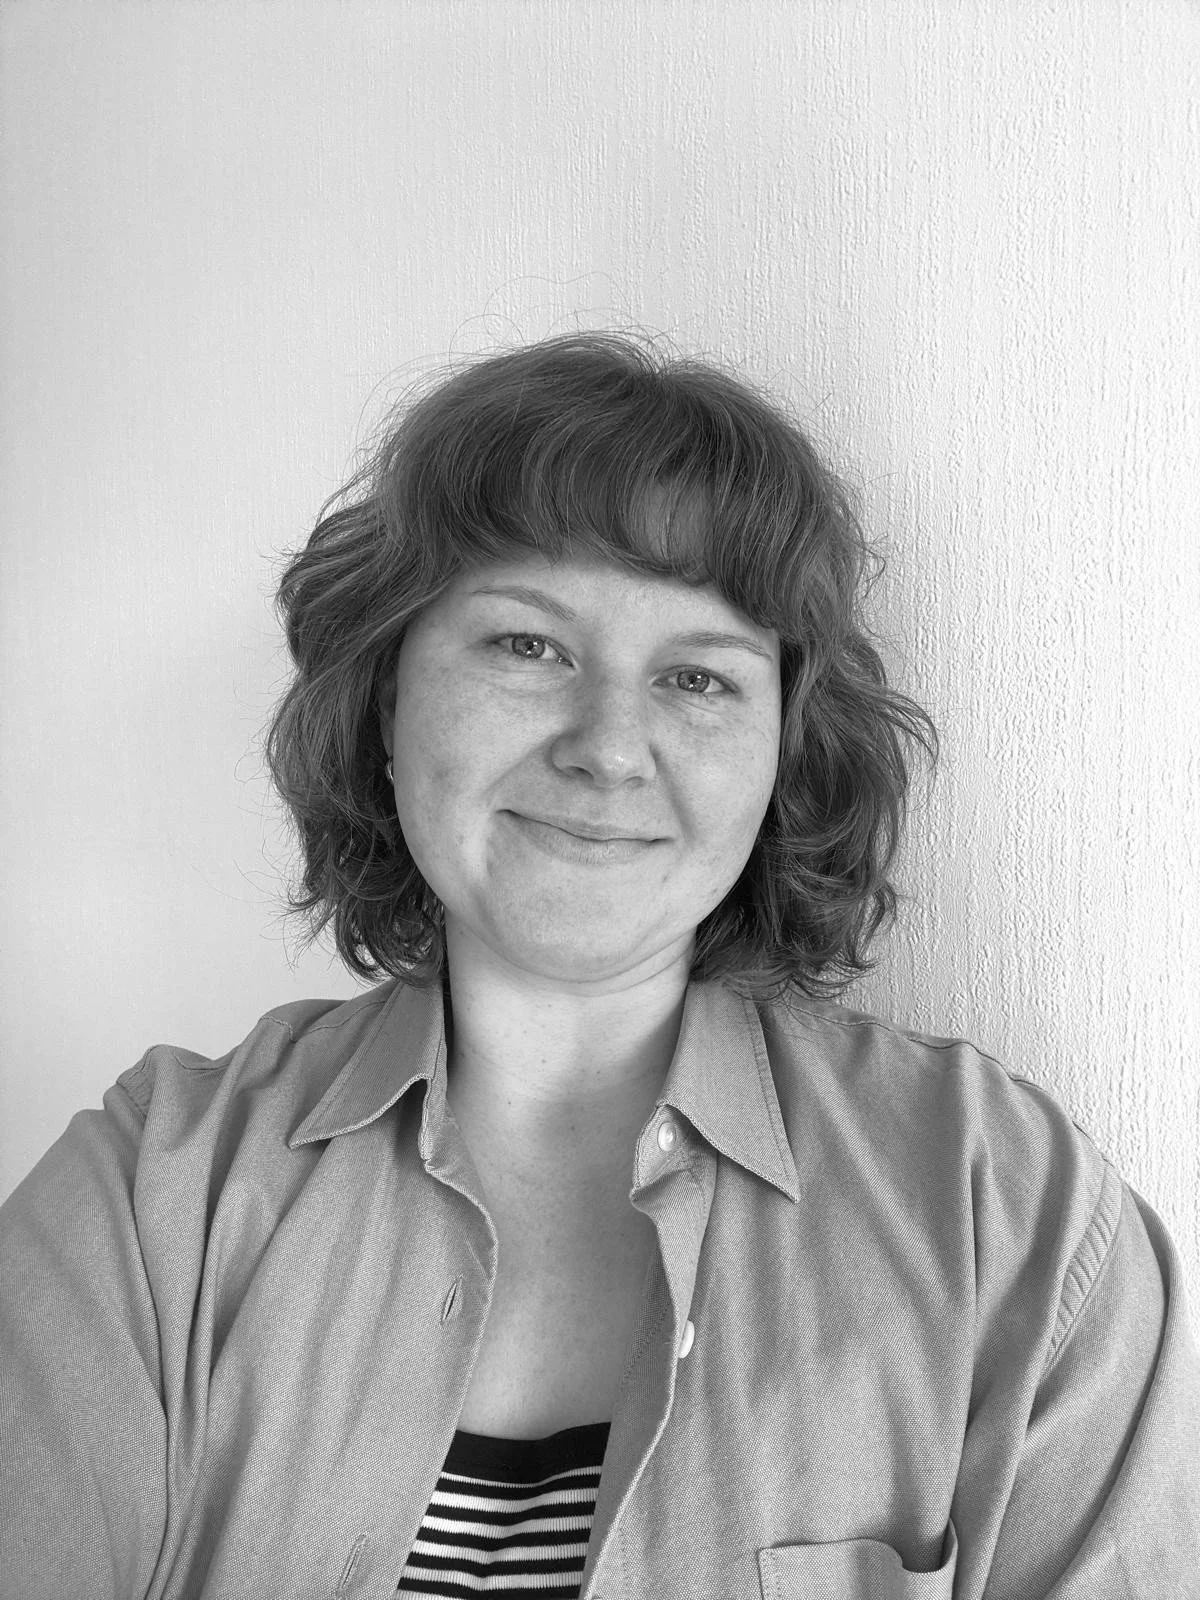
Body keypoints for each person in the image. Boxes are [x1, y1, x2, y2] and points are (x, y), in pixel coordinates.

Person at [1, 330, 1197, 1600]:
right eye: (528, 645)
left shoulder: (1006, 1209)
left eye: (698, 677)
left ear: (782, 759)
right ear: (386, 702)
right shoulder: (151, 1194)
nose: (610, 746)